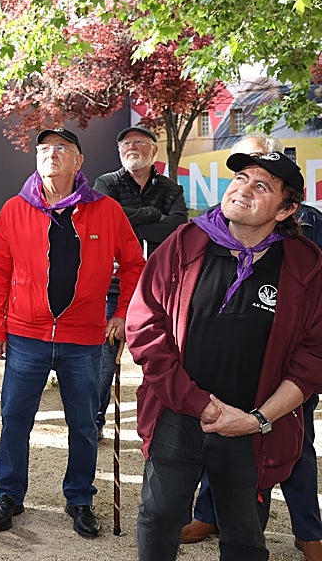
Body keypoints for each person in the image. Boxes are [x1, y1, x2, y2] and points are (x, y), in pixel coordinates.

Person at [127, 150, 322, 561]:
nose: (243, 190)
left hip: (250, 425)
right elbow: (145, 327)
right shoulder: (185, 242)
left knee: (245, 533)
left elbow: (314, 357)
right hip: (177, 413)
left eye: (261, 186)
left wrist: (258, 419)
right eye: (241, 178)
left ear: (286, 209)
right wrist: (197, 404)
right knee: (159, 517)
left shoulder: (306, 266)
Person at [0, 128, 145, 538]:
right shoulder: (14, 209)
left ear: (79, 161)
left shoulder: (105, 210)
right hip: (26, 336)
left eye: (62, 149)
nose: (51, 155)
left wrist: (122, 314)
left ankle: (79, 499)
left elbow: (133, 265)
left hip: (84, 338)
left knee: (84, 424)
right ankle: (9, 495)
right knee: (15, 420)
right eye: (44, 149)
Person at [92, 125, 188, 437]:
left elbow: (176, 228)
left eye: (140, 143)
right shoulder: (105, 183)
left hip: (160, 288)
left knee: (165, 356)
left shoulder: (172, 189)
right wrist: (152, 215)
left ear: (154, 151)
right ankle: (94, 424)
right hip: (114, 288)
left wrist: (131, 222)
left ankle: (163, 425)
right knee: (104, 362)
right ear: (119, 153)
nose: (132, 147)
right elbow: (108, 221)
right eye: (126, 144)